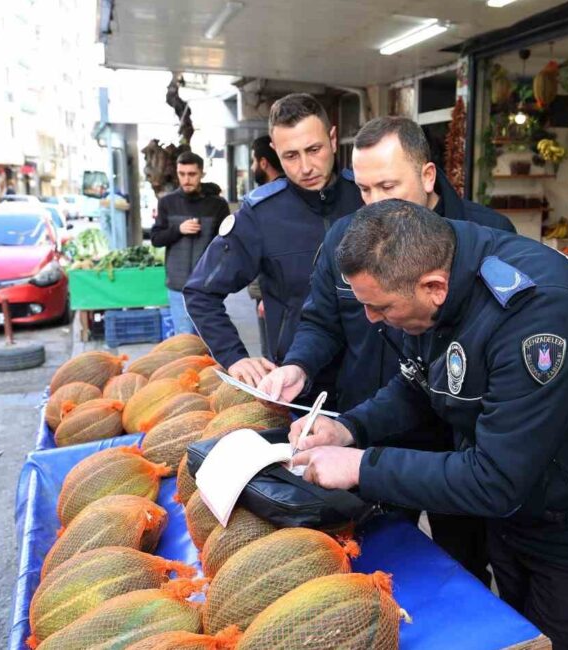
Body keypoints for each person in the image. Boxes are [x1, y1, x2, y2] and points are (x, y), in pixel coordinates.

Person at [290, 200, 568, 649]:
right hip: (522, 513)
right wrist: (349, 428)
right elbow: (419, 385)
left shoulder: (538, 317)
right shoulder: (439, 270)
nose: (371, 319)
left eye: (381, 307)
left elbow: (496, 478)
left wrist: (362, 467)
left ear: (434, 287)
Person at [257, 115, 515, 583]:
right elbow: (321, 320)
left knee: (461, 569)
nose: (373, 204)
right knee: (371, 561)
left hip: (451, 448)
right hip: (367, 430)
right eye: (365, 189)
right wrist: (299, 365)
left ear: (428, 176)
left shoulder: (486, 235)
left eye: (388, 187)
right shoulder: (347, 240)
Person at [184, 93, 363, 389]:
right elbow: (200, 292)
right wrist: (235, 356)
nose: (305, 167)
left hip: (376, 381)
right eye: (290, 156)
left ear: (333, 139)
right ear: (274, 151)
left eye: (314, 149)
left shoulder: (367, 196)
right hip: (299, 384)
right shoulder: (260, 215)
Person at [151, 152, 230, 335]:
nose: (186, 179)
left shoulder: (217, 205)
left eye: (192, 174)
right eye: (182, 174)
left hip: (208, 285)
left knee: (210, 340)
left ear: (202, 173)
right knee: (185, 340)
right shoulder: (167, 202)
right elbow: (156, 239)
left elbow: (228, 243)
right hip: (178, 285)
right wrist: (178, 229)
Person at [246, 135, 284, 358]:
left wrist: (264, 297)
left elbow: (269, 253)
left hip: (273, 297)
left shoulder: (265, 202)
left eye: (253, 161)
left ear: (263, 163)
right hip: (271, 295)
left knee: (273, 356)